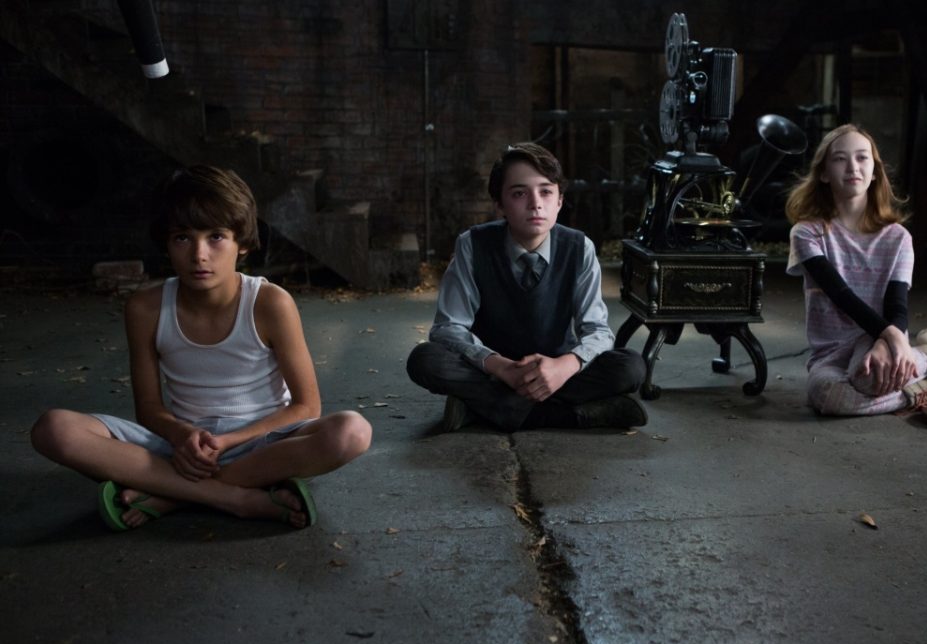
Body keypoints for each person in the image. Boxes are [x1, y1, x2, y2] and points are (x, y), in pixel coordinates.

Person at [30, 166, 372, 531]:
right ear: (166, 243)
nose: (199, 254)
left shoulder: (269, 302)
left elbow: (306, 407)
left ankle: (171, 494)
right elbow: (148, 408)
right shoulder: (145, 308)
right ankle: (236, 497)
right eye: (182, 238)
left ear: (242, 243)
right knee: (54, 429)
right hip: (181, 446)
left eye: (216, 237)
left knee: (351, 432)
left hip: (263, 444)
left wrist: (227, 441)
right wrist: (183, 436)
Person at [406, 142, 647, 432]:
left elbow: (597, 330)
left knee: (631, 367)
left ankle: (486, 409)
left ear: (559, 201)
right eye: (519, 193)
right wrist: (501, 367)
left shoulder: (579, 247)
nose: (536, 204)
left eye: (546, 192)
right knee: (425, 360)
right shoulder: (473, 245)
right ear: (499, 205)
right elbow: (448, 328)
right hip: (491, 370)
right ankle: (573, 416)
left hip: (557, 370)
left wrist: (564, 367)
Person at [785, 124, 927, 415]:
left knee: (867, 379)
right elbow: (840, 295)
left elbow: (896, 305)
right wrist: (894, 337)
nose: (852, 166)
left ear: (875, 172)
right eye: (840, 159)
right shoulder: (807, 233)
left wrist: (885, 342)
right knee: (828, 397)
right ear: (824, 173)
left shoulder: (897, 238)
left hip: (879, 338)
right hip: (832, 354)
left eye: (862, 157)